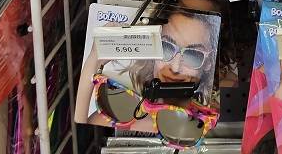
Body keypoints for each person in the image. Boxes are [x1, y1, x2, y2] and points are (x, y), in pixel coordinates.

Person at [78, 8, 219, 129]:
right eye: (166, 47)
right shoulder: (121, 118)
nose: (175, 68)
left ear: (209, 63)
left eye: (194, 55)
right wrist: (94, 60)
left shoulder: (212, 123)